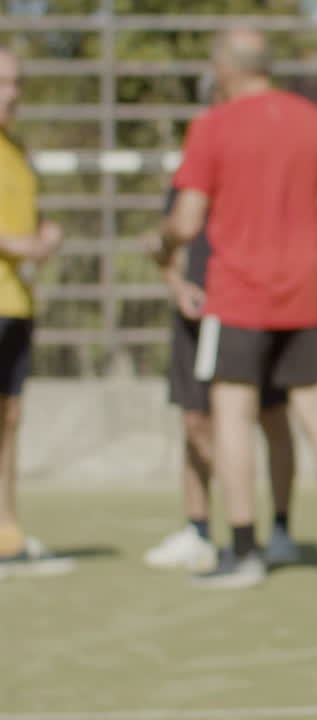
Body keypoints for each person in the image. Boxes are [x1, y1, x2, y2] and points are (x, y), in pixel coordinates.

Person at [158, 27, 317, 589]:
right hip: (305, 292)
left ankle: (243, 552)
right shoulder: (312, 119)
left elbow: (187, 220)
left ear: (226, 65)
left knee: (232, 417)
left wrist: (163, 245)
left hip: (239, 293)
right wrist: (305, 231)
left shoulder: (213, 125)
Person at [143, 182, 301, 573]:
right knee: (195, 421)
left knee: (272, 415)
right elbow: (167, 243)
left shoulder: (257, 177)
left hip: (254, 314)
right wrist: (179, 288)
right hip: (197, 320)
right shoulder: (187, 182)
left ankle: (280, 530)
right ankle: (198, 531)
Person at [0, 46, 72, 579]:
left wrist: (45, 235)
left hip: (16, 305)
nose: (12, 93)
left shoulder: (17, 152)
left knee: (9, 420)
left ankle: (7, 535)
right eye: (3, 82)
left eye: (17, 82)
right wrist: (20, 244)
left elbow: (28, 219)